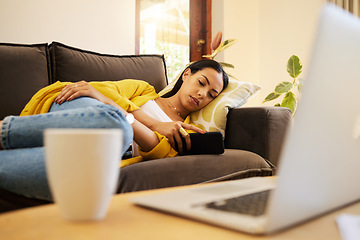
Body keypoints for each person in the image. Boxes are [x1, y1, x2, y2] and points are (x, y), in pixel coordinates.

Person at [0, 59, 229, 201]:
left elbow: (161, 153)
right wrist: (152, 124)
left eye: (212, 94)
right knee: (119, 127)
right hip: (77, 108)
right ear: (187, 74)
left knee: (85, 178)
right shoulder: (144, 89)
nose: (203, 94)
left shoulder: (190, 128)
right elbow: (99, 90)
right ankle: (5, 131)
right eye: (202, 82)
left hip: (105, 149)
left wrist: (126, 118)